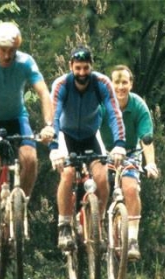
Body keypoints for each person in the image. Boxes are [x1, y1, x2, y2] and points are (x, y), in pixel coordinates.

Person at [0, 22, 54, 257]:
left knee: (31, 159)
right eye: (2, 50)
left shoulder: (26, 63)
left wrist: (48, 125)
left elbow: (44, 93)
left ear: (17, 48)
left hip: (16, 117)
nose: (7, 55)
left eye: (11, 50)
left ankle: (20, 206)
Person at [49, 46, 126, 250]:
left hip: (91, 135)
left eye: (86, 68)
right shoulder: (61, 84)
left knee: (102, 177)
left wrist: (119, 144)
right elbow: (53, 117)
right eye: (78, 68)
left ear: (91, 66)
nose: (82, 73)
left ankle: (97, 224)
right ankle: (64, 225)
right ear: (70, 66)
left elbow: (114, 113)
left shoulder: (101, 83)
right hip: (67, 136)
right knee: (67, 174)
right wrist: (54, 148)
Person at [99, 65, 159, 260]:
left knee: (131, 188)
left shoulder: (139, 106)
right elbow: (91, 129)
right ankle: (95, 226)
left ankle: (132, 239)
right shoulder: (102, 105)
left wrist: (151, 163)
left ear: (131, 84)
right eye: (116, 82)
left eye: (125, 82)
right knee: (98, 185)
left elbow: (146, 139)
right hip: (103, 151)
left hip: (131, 153)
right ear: (110, 84)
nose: (120, 86)